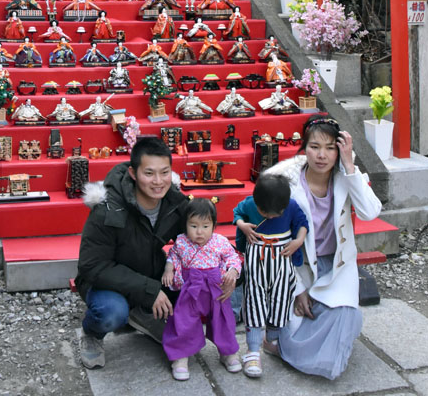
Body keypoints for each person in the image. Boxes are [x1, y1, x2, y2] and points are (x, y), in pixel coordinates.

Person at [263, 118, 382, 380]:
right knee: (298, 322)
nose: (321, 155)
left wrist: (350, 166)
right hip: (296, 266)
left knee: (346, 317)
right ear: (304, 148)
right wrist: (297, 290)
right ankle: (282, 340)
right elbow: (273, 244)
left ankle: (317, 349)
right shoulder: (285, 183)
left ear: (339, 150)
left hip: (336, 267)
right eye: (315, 146)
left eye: (330, 147)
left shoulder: (346, 177)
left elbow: (371, 212)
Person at [76, 137, 188, 369]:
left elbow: (193, 241)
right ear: (133, 173)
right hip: (107, 282)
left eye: (164, 172)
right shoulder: (108, 208)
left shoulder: (173, 201)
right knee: (111, 313)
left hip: (150, 273)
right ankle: (91, 334)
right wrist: (150, 290)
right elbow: (92, 266)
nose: (158, 182)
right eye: (149, 174)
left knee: (196, 289)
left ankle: (143, 313)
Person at [233, 176, 309, 378]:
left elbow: (302, 223)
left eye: (277, 213)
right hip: (256, 260)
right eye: (264, 212)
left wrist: (298, 241)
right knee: (254, 302)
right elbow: (237, 213)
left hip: (283, 257)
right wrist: (242, 226)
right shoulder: (250, 204)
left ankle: (272, 341)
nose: (270, 216)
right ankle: (252, 350)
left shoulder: (291, 206)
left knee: (282, 300)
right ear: (257, 202)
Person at [161, 198, 242, 381]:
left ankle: (227, 352)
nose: (199, 232)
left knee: (223, 319)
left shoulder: (220, 241)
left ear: (214, 225)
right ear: (185, 225)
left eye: (205, 226)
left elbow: (232, 257)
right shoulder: (181, 242)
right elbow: (173, 255)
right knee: (183, 320)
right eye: (194, 225)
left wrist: (232, 270)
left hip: (215, 287)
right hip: (191, 287)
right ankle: (180, 356)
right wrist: (169, 268)